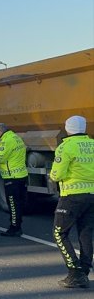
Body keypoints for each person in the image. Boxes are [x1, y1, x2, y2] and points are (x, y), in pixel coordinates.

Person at [49, 115, 94, 288]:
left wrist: (52, 176)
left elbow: (57, 174)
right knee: (85, 233)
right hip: (91, 196)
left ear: (67, 128)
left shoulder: (65, 147)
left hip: (72, 197)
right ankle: (84, 271)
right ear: (84, 128)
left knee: (59, 233)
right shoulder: (92, 144)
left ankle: (75, 272)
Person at [0, 123, 29, 237]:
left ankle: (14, 228)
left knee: (13, 204)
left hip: (12, 178)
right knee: (19, 203)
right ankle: (18, 226)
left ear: (0, 131)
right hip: (22, 176)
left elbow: (1, 158)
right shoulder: (17, 138)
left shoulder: (5, 141)